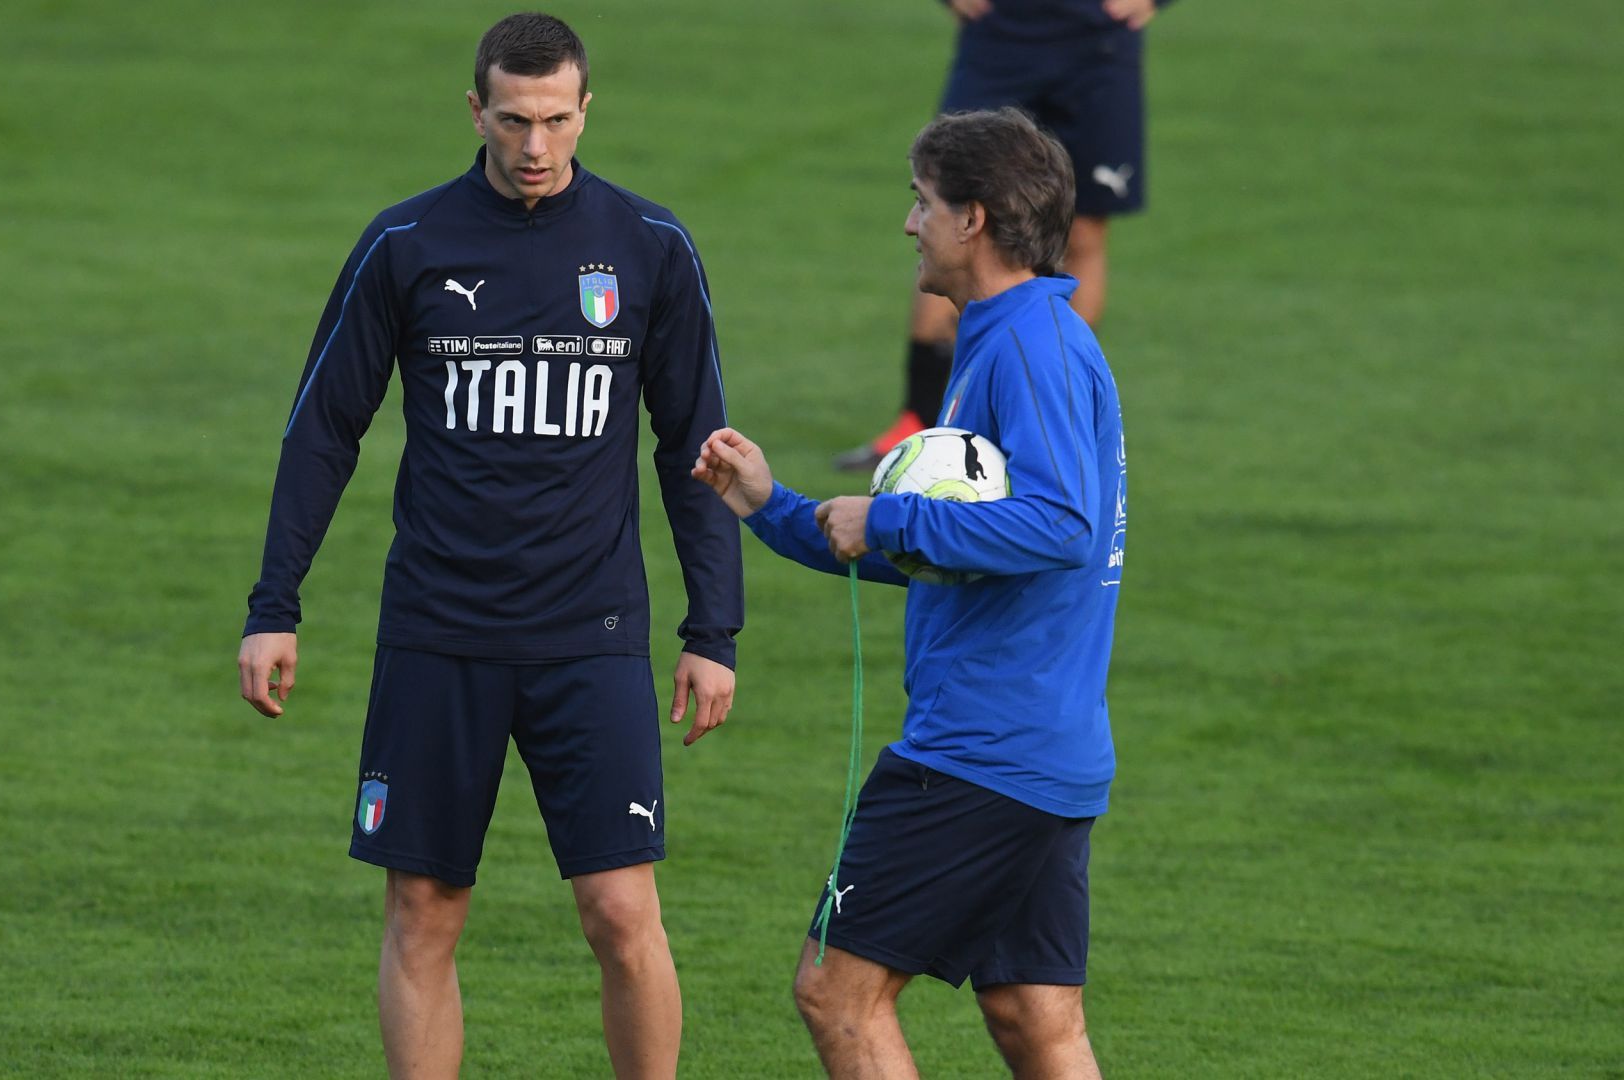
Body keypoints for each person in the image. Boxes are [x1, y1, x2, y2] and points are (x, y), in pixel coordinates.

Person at [236, 13, 742, 1077]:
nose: (535, 146)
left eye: (557, 120)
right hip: (438, 631)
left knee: (618, 909)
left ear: (586, 110)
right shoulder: (405, 245)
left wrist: (714, 629)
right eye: (513, 120)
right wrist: (275, 604)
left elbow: (696, 448)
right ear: (476, 110)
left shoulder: (649, 248)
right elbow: (324, 428)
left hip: (590, 633)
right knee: (425, 907)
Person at [694, 108, 1126, 1078]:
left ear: (973, 219)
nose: (908, 224)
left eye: (921, 202)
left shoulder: (1031, 350)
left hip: (979, 750)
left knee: (837, 993)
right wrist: (775, 508)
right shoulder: (1010, 339)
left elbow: (1061, 527)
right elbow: (966, 548)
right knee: (1032, 1015)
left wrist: (884, 517)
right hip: (1042, 749)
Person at [834, 0, 1164, 472]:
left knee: (1084, 231)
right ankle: (919, 418)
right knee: (949, 215)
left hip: (1099, 45)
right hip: (1001, 36)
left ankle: (1058, 414)